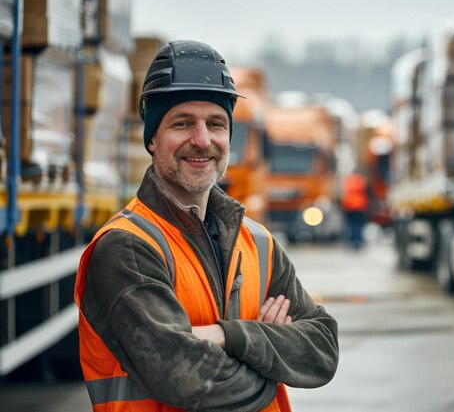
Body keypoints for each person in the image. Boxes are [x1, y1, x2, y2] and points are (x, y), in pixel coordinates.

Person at [74, 40, 339, 412]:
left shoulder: (258, 242)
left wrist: (225, 336)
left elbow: (322, 352)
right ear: (152, 138)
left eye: (216, 124)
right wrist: (270, 359)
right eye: (182, 123)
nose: (202, 140)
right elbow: (184, 377)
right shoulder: (127, 247)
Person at [340, 170, 370, 249]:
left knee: (350, 224)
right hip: (360, 206)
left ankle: (351, 240)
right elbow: (367, 192)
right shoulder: (362, 180)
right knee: (358, 224)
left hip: (348, 206)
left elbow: (343, 193)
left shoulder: (347, 181)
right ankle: (358, 240)